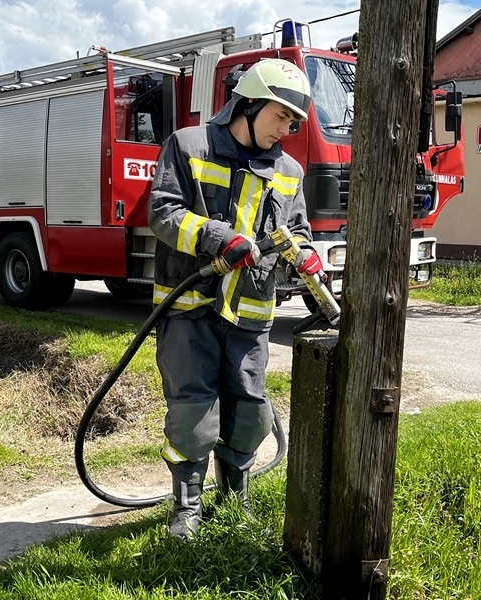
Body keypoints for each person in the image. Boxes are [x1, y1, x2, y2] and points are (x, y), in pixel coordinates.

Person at [148, 58, 325, 541]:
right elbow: (162, 212)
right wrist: (218, 238)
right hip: (190, 307)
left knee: (250, 410)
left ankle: (233, 500)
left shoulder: (288, 170)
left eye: (293, 123)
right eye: (281, 117)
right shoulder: (189, 145)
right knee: (193, 409)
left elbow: (298, 229)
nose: (285, 131)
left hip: (249, 313)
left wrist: (306, 254)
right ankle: (187, 507)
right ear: (248, 104)